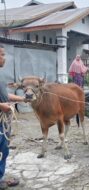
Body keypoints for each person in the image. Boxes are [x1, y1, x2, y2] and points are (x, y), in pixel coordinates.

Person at [0, 44, 26, 189]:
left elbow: (5, 95)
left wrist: (21, 99)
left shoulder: (0, 75)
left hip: (3, 121)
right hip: (0, 119)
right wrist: (2, 106)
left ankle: (0, 176)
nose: (5, 58)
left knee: (3, 149)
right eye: (2, 55)